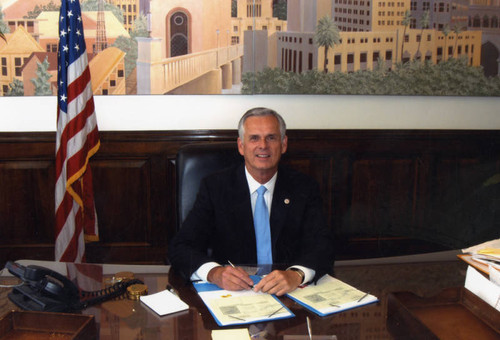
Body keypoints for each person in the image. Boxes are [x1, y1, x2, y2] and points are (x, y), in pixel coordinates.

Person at [168, 107, 334, 296]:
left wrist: (296, 275)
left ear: (283, 144)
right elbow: (180, 247)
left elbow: (323, 245)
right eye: (254, 138)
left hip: (289, 294)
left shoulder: (303, 187)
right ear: (241, 146)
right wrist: (215, 273)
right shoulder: (215, 187)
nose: (263, 145)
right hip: (234, 295)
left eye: (271, 137)